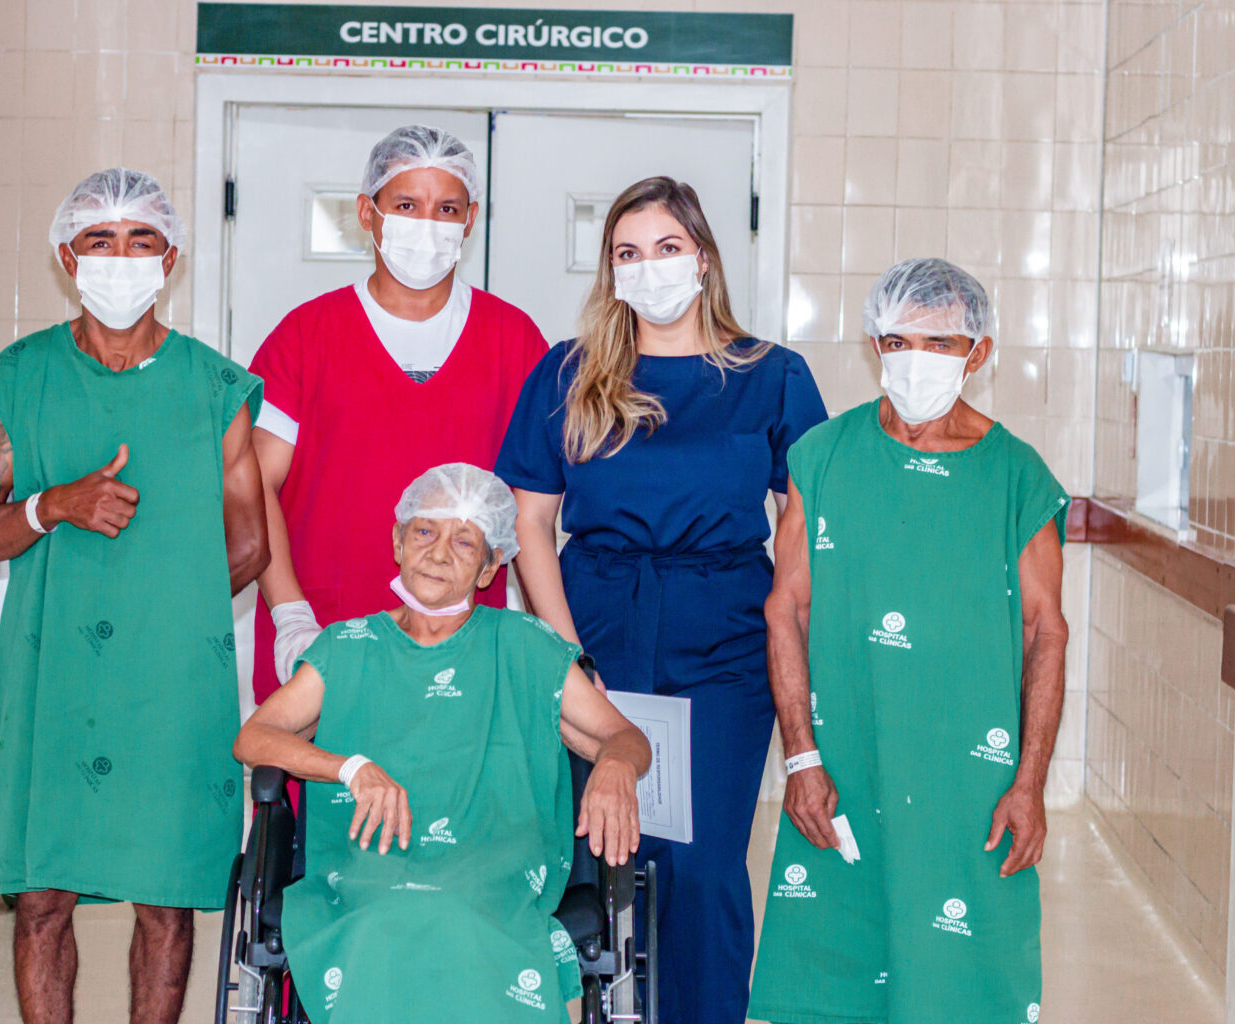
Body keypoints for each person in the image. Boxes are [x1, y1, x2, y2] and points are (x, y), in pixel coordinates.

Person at [495, 176, 828, 1022]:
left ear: (704, 259)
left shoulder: (773, 376)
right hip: (596, 625)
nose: (649, 267)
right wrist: (566, 655)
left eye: (667, 248)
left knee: (702, 865)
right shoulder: (569, 373)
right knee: (603, 856)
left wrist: (793, 636)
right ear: (610, 271)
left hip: (723, 641)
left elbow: (803, 523)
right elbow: (530, 521)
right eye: (628, 253)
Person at [0, 168, 269, 1024]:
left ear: (171, 257)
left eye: (142, 241)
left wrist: (163, 609)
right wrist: (51, 506)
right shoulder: (20, 379)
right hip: (53, 677)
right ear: (68, 257)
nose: (121, 258)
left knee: (164, 898)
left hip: (173, 688)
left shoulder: (216, 390)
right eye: (101, 240)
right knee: (42, 896)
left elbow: (251, 544)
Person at [748, 257, 1069, 1024]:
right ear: (874, 346)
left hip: (974, 777)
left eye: (939, 344)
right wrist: (802, 759)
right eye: (897, 342)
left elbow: (1045, 633)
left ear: (977, 354)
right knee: (836, 964)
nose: (914, 360)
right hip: (846, 760)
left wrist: (1029, 783)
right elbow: (785, 610)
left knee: (968, 974)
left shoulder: (1017, 477)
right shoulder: (822, 459)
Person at [233, 463, 651, 1024]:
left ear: (489, 567)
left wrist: (616, 765)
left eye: (464, 541)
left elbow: (624, 736)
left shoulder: (525, 646)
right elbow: (253, 737)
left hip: (492, 866)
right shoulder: (348, 645)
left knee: (458, 914)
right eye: (425, 531)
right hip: (372, 866)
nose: (438, 553)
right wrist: (349, 768)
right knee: (387, 917)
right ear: (398, 542)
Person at [249, 125, 548, 704]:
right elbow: (254, 483)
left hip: (465, 645)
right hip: (327, 636)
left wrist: (545, 640)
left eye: (447, 209)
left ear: (470, 219)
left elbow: (535, 512)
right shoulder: (307, 337)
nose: (427, 224)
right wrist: (290, 615)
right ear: (368, 212)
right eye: (407, 205)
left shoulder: (513, 341)